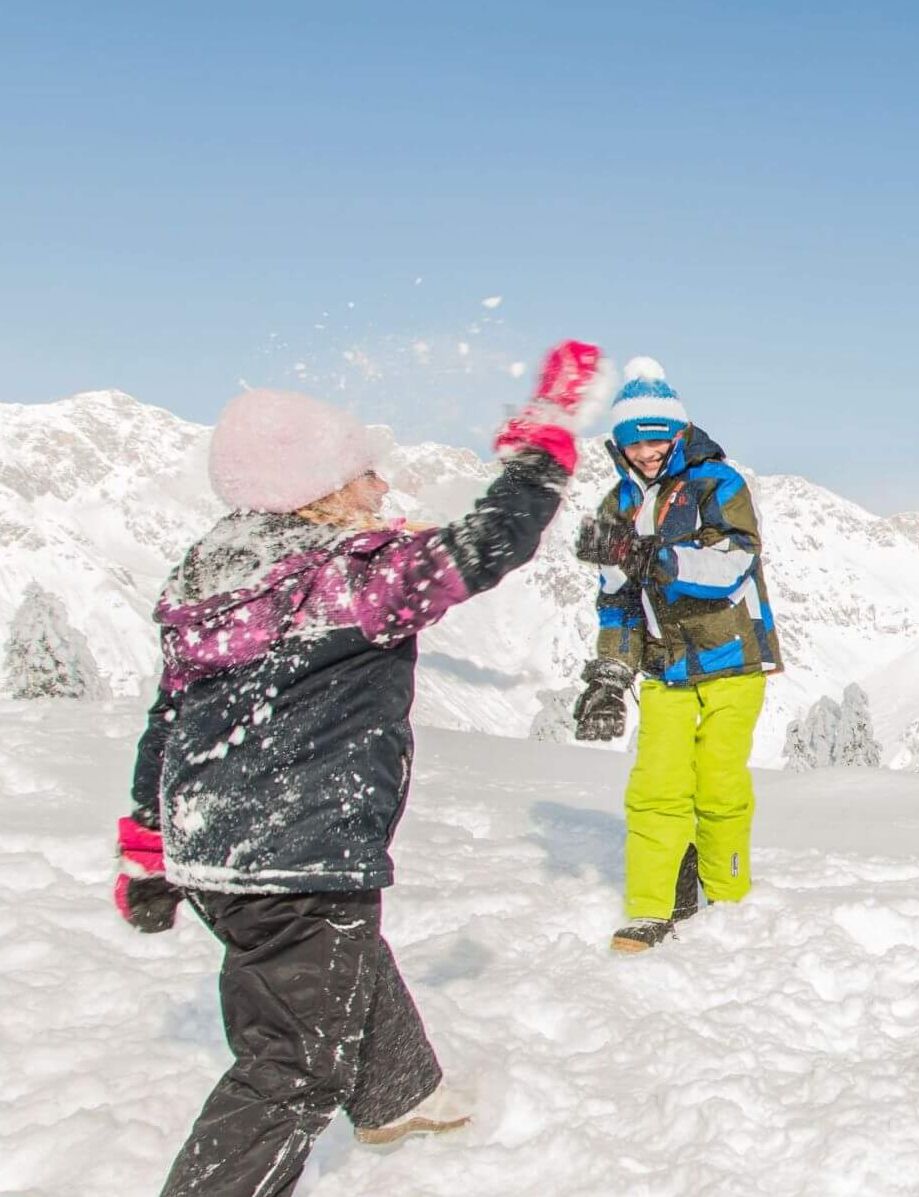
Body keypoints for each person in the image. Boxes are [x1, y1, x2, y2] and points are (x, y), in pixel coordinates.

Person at [117, 342, 605, 1196]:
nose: (383, 488)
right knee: (295, 1065)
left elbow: (173, 712)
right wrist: (542, 446)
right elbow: (488, 545)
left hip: (217, 855)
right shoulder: (353, 578)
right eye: (367, 474)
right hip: (299, 856)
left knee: (335, 962)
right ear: (323, 491)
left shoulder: (210, 576)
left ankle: (399, 1095)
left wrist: (147, 837)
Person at [569, 357, 781, 954]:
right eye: (635, 442)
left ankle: (729, 895)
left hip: (730, 659)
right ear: (619, 444)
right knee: (656, 786)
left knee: (717, 786)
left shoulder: (718, 483)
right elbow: (618, 602)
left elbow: (734, 564)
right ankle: (651, 908)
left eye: (658, 437)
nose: (648, 451)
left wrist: (656, 557)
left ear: (678, 431)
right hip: (665, 667)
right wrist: (611, 675)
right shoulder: (616, 505)